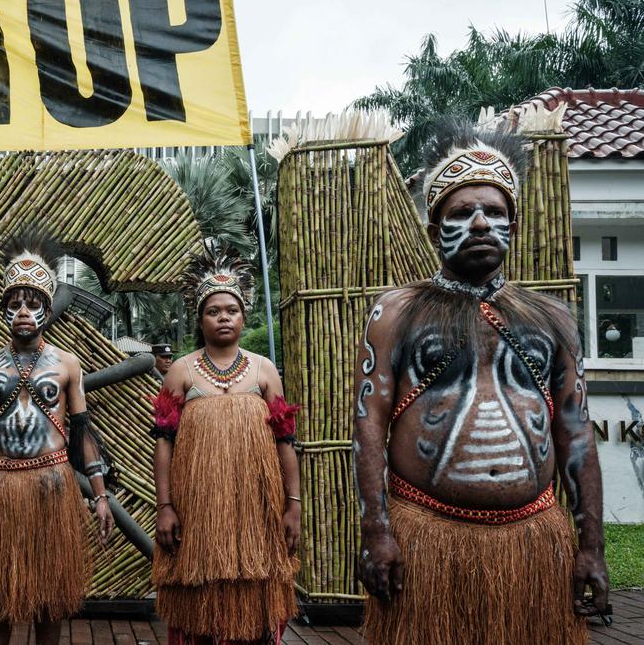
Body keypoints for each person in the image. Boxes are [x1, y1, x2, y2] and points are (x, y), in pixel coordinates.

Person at [354, 119, 609, 644]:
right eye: (460, 212)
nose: (478, 224)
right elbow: (369, 423)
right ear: (433, 229)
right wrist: (377, 530)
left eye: (494, 212)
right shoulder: (397, 312)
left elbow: (576, 432)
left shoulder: (551, 318)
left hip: (532, 542)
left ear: (513, 225)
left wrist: (591, 546)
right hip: (427, 536)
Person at [0, 227, 114, 645]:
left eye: (33, 303)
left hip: (51, 486)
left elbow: (82, 431)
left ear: (47, 311)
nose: (23, 311)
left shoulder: (68, 365)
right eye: (14, 303)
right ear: (4, 311)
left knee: (48, 601)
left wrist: (100, 496)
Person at [150, 246, 300, 644]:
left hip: (256, 507)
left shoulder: (264, 370)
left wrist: (293, 505)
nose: (223, 317)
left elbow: (285, 440)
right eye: (213, 311)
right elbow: (163, 443)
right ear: (200, 320)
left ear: (243, 316)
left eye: (230, 310)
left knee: (256, 593)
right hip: (198, 509)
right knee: (197, 596)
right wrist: (165, 507)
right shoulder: (181, 371)